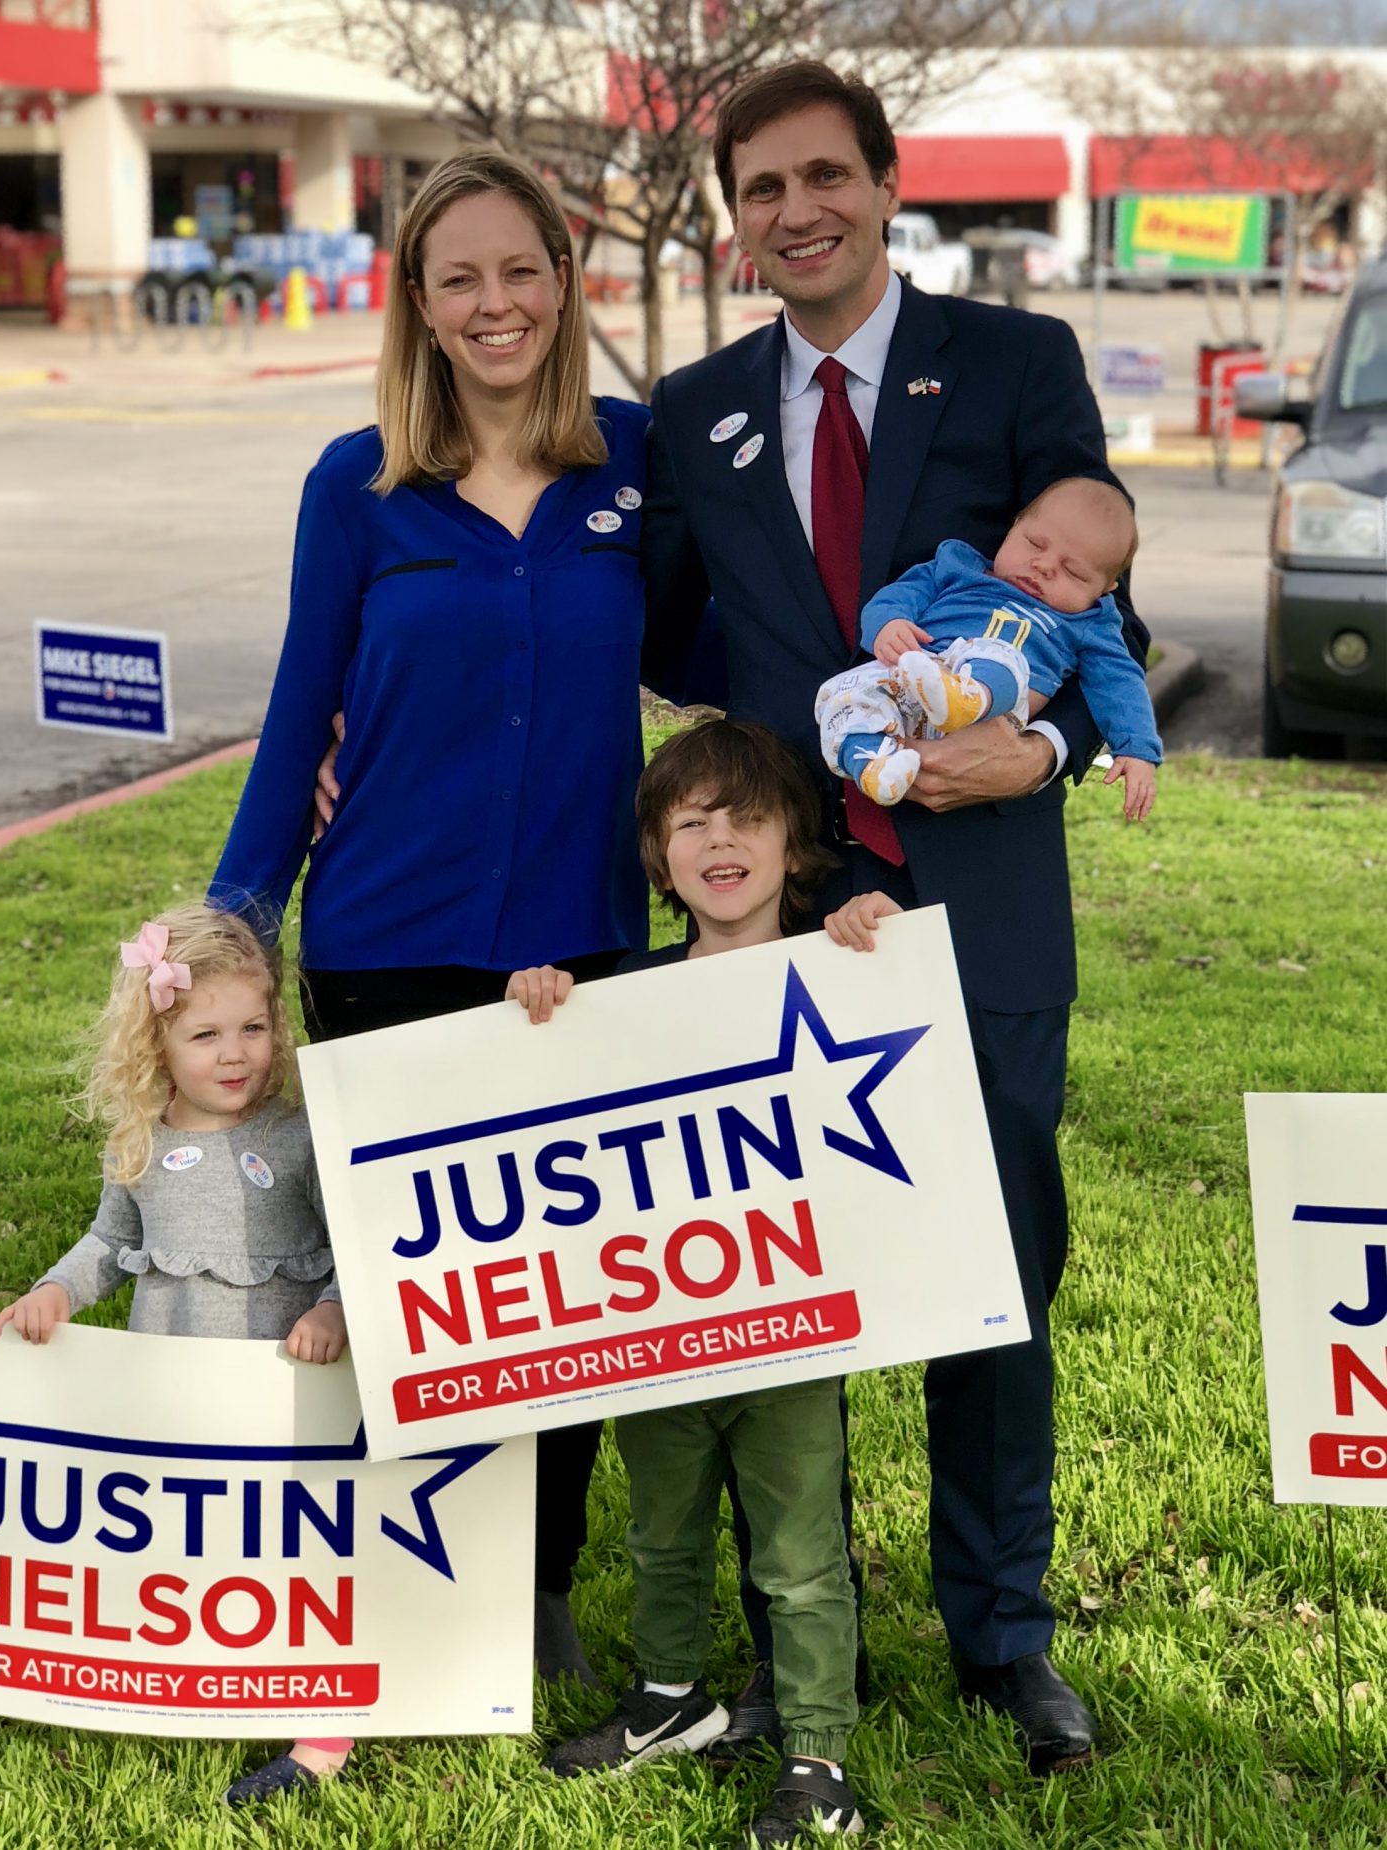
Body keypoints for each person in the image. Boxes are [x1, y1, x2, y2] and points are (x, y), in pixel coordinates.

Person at [640, 59, 1151, 1773]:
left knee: (995, 1260)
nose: (797, 210)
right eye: (763, 188)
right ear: (735, 218)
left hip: (986, 897)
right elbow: (670, 632)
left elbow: (1098, 601)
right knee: (787, 1274)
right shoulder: (699, 402)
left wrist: (1051, 748)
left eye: (823, 177)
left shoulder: (1017, 361)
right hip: (791, 912)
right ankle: (800, 1625)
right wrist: (791, 743)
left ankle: (1003, 1631)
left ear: (883, 180)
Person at [208, 149, 655, 1686]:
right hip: (386, 942)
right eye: (456, 276)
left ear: (561, 276)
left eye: (516, 269)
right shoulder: (360, 481)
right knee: (414, 1289)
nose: (492, 302)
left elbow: (742, 653)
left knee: (565, 1291)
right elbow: (296, 712)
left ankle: (535, 1586)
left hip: (581, 948)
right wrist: (234, 919)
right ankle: (402, 1588)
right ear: (418, 300)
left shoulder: (635, 467)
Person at [509, 719, 886, 1846]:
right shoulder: (618, 997)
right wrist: (540, 1003)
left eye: (746, 817)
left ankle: (818, 1754)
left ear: (797, 844)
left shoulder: (847, 962)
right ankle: (671, 1695)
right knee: (662, 1533)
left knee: (801, 1554)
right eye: (690, 822)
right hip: (660, 1329)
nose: (719, 840)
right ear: (657, 857)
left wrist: (874, 930)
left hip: (794, 1328)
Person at [0, 904, 352, 1807]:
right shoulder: (140, 1146)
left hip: (289, 1397)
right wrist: (53, 1293)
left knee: (297, 1552)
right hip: (180, 1394)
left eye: (255, 1029)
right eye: (206, 1035)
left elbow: (359, 1246)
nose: (236, 1054)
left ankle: (322, 1735)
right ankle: (198, 1681)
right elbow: (107, 1245)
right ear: (157, 1045)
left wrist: (335, 1308)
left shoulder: (302, 1138)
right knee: (200, 1544)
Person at [817, 476, 1160, 821]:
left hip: (992, 718)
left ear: (1104, 589)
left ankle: (965, 696)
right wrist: (888, 625)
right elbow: (897, 597)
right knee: (844, 699)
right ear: (1014, 527)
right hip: (910, 680)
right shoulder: (956, 567)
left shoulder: (1089, 624)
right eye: (1034, 543)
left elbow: (1121, 685)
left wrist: (1137, 749)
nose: (1044, 566)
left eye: (1073, 572)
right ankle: (877, 766)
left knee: (999, 653)